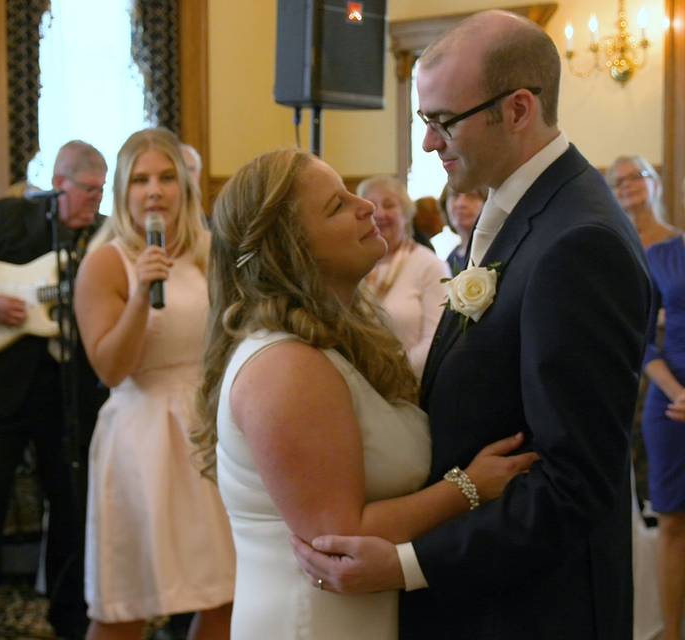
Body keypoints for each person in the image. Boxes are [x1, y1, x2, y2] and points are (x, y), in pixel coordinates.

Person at [291, 11, 651, 640]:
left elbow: (573, 485)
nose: (429, 142)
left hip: (532, 611)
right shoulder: (525, 209)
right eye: (423, 121)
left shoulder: (579, 241)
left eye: (442, 121)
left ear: (516, 110)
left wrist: (407, 563)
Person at [193, 147, 537, 639]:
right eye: (337, 206)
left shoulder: (328, 342)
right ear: (288, 249)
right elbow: (340, 534)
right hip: (310, 622)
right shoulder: (285, 366)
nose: (367, 207)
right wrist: (469, 487)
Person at [0, 140, 109, 640]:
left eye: (101, 192)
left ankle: (70, 618)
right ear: (59, 184)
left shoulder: (103, 238)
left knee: (72, 509)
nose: (93, 202)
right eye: (86, 191)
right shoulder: (8, 219)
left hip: (69, 397)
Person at [73, 128, 234, 640]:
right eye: (140, 179)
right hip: (141, 438)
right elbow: (109, 368)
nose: (154, 190)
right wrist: (141, 291)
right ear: (122, 191)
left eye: (166, 177)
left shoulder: (209, 253)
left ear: (185, 186)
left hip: (208, 432)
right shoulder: (106, 262)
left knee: (223, 595)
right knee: (127, 608)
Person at [357, 176, 449, 377]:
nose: (380, 213)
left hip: (409, 384)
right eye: (372, 206)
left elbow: (435, 340)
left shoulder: (430, 265)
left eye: (389, 205)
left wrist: (388, 374)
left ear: (406, 214)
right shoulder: (354, 265)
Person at [641, 235, 685, 640]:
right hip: (671, 402)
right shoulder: (661, 255)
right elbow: (641, 337)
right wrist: (677, 393)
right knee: (671, 521)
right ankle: (671, 632)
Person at [608, 154, 678, 249]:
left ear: (655, 184)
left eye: (635, 177)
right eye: (618, 182)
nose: (626, 184)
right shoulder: (609, 244)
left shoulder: (679, 242)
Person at [439, 185, 487, 275]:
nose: (461, 204)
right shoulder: (451, 259)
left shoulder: (493, 252)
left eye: (472, 196)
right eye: (455, 195)